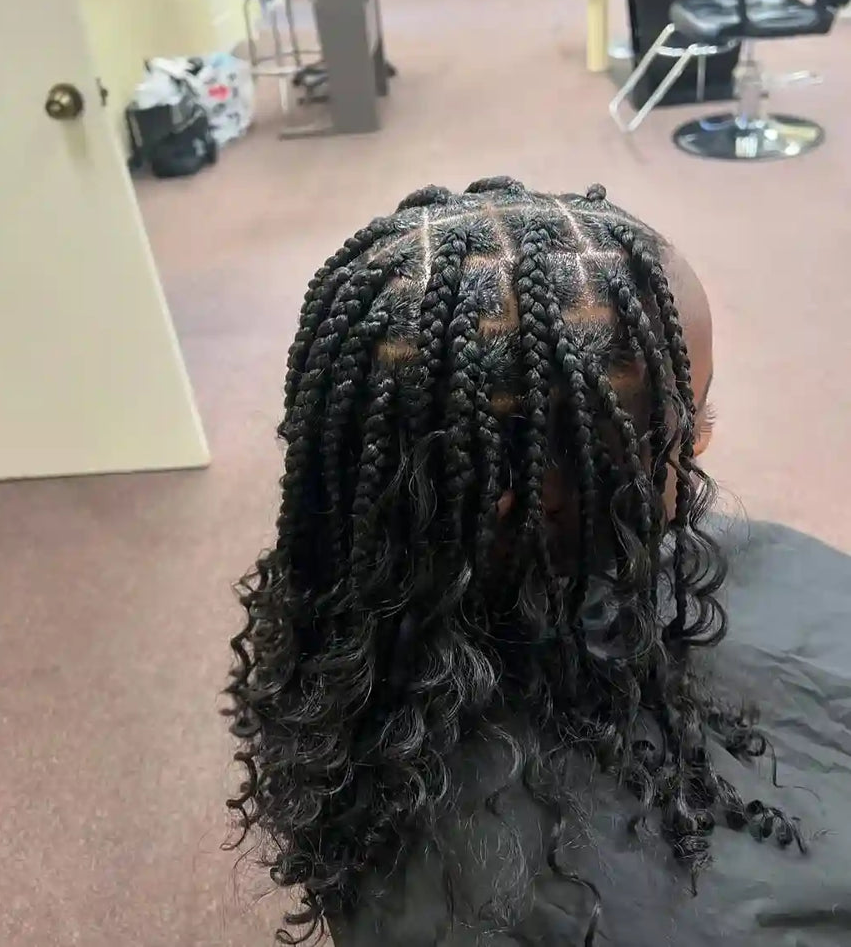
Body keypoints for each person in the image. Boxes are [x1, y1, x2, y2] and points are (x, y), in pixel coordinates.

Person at [225, 179, 850, 946]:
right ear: (534, 492)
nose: (707, 440)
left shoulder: (336, 654)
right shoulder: (501, 904)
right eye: (697, 417)